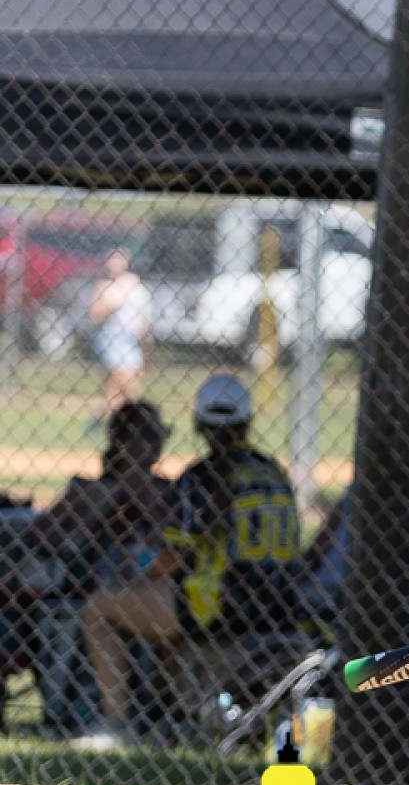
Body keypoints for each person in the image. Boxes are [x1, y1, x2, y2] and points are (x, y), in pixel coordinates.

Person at [72, 374, 302, 750]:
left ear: (198, 423)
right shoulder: (273, 471)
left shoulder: (203, 475)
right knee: (161, 603)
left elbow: (175, 555)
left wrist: (139, 583)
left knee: (99, 608)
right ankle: (171, 716)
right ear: (247, 421)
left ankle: (116, 725)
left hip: (222, 604)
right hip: (277, 601)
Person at [23, 401, 174, 735]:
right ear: (121, 440)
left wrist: (140, 490)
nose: (159, 443)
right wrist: (88, 509)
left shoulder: (167, 491)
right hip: (97, 588)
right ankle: (93, 717)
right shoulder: (92, 489)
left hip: (152, 590)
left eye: (161, 434)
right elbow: (42, 536)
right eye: (149, 434)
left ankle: (158, 714)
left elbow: (177, 535)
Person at [87, 248, 152, 415]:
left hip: (133, 339)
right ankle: (116, 418)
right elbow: (95, 315)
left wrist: (146, 342)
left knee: (123, 388)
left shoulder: (135, 284)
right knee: (124, 381)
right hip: (113, 338)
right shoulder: (104, 286)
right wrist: (114, 304)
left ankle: (102, 417)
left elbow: (143, 318)